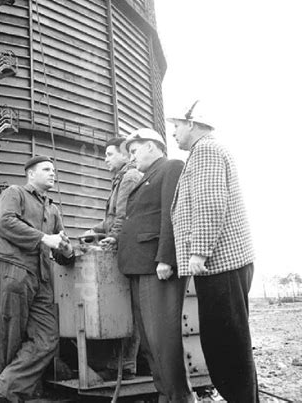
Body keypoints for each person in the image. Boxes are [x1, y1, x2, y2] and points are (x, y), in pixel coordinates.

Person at [168, 101, 259, 402]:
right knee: (229, 343)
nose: (174, 133)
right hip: (223, 264)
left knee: (227, 345)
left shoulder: (206, 151)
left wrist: (199, 252)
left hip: (219, 264)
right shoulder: (205, 151)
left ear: (192, 124)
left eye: (177, 126)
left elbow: (209, 204)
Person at [0, 156, 75, 403]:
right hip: (9, 269)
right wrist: (45, 239)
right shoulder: (15, 193)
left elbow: (60, 250)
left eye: (54, 170)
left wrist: (67, 250)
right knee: (9, 337)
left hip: (40, 278)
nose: (52, 174)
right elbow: (5, 223)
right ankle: (5, 396)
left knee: (48, 338)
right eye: (46, 170)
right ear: (31, 174)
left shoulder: (53, 209)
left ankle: (3, 393)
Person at [118, 128, 195, 403]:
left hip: (156, 267)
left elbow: (171, 213)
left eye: (134, 150)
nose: (131, 157)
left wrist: (166, 257)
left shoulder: (171, 167)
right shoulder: (148, 176)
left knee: (163, 340)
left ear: (152, 146)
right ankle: (166, 394)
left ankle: (179, 397)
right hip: (140, 267)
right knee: (151, 343)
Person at [87, 136, 143, 379]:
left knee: (129, 310)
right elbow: (111, 219)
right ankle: (120, 364)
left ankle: (126, 366)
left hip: (127, 250)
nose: (105, 159)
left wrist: (113, 237)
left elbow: (124, 215)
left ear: (125, 154)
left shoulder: (129, 177)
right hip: (123, 247)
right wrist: (95, 230)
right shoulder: (120, 179)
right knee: (125, 308)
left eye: (110, 154)